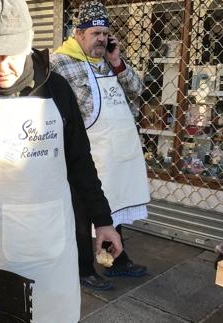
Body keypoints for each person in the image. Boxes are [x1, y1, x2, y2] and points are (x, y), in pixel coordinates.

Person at [0, 0, 123, 322]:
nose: (0, 66)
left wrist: (102, 220)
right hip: (0, 246)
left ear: (28, 46)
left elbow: (80, 163)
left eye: (10, 54)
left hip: (56, 240)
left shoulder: (56, 90)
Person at [50, 0, 150, 291]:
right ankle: (83, 268)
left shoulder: (108, 60)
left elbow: (137, 89)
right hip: (82, 151)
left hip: (112, 151)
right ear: (78, 34)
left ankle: (116, 259)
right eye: (95, 33)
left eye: (105, 33)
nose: (102, 39)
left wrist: (118, 61)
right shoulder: (59, 63)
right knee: (82, 213)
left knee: (112, 204)